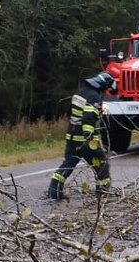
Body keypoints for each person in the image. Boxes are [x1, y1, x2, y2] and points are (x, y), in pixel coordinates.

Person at [47, 72, 114, 200]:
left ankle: (53, 192)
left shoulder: (79, 93)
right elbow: (88, 119)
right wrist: (89, 139)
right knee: (101, 164)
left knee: (68, 164)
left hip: (71, 137)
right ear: (103, 86)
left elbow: (72, 114)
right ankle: (103, 194)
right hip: (85, 141)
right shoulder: (94, 97)